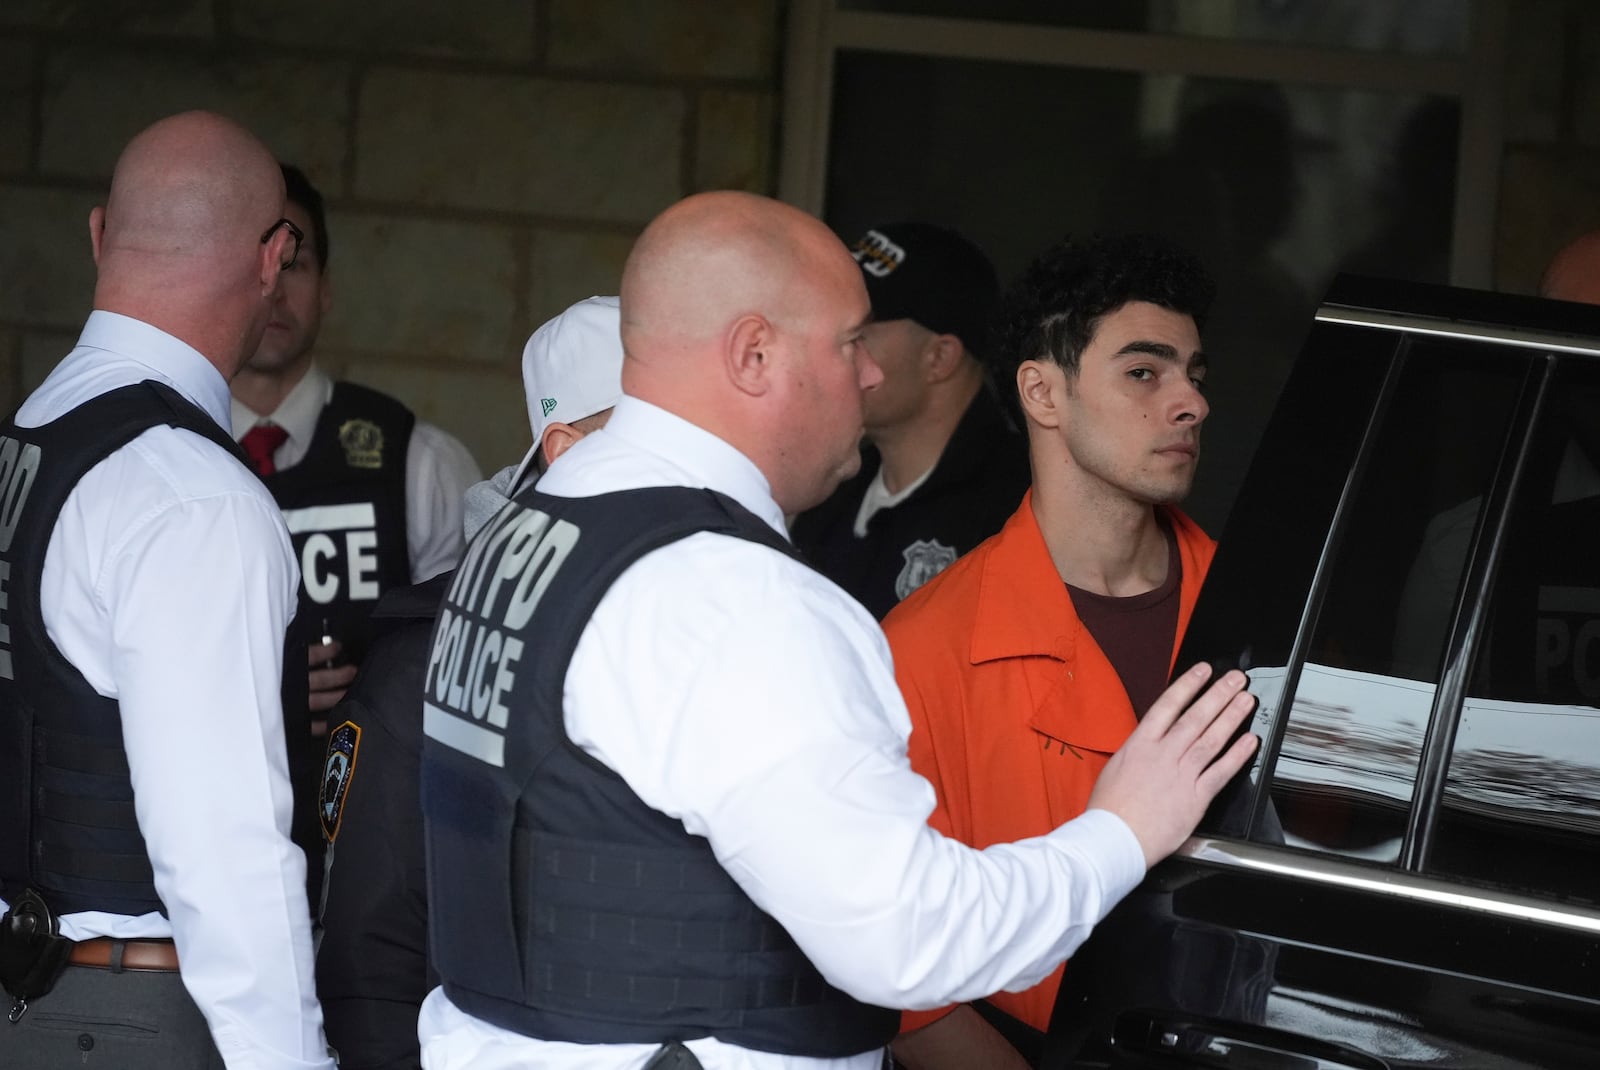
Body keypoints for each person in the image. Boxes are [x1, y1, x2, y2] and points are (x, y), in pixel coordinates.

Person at [415, 192, 1259, 1070]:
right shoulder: (736, 596)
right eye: (850, 342)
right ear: (754, 354)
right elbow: (907, 940)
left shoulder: (536, 530)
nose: (867, 376)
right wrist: (1123, 829)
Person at [0, 112, 333, 1068]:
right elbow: (224, 852)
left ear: (101, 235)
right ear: (274, 259)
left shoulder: (28, 444)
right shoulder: (189, 495)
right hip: (124, 1013)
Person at [880, 233, 1220, 1068]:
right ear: (1043, 391)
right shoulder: (924, 649)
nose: (1191, 403)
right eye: (1145, 372)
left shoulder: (1263, 618)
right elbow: (907, 985)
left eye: (1194, 373)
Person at [315, 295, 625, 1070]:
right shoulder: (430, 649)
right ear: (564, 446)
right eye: (650, 434)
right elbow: (371, 961)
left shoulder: (730, 613)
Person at [230, 163, 482, 732]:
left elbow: (463, 661)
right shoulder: (166, 450)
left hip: (364, 799)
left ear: (326, 290)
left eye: (295, 262)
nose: (275, 285)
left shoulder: (417, 461)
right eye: (256, 264)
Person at [791, 222, 1029, 618]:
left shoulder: (1025, 507)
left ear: (939, 357)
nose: (830, 354)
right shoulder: (829, 491)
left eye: (857, 334)